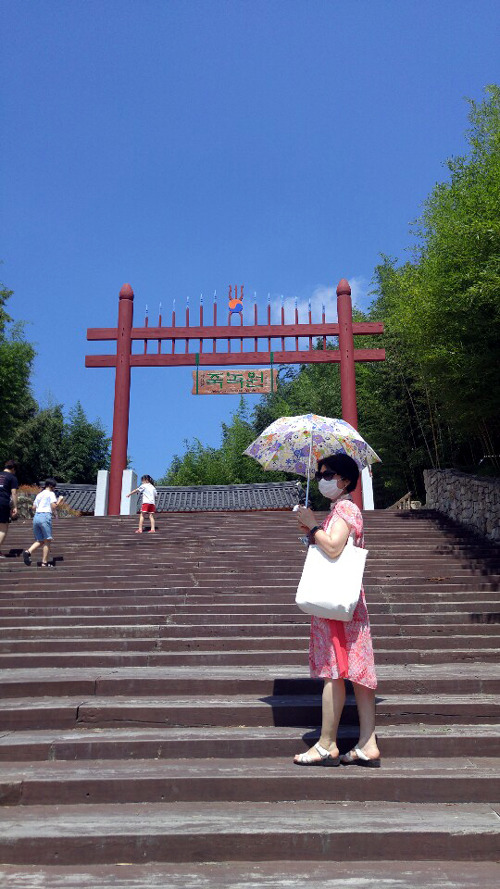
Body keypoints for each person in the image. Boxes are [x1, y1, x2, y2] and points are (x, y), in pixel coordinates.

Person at [293, 453, 380, 768]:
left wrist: (313, 525)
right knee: (357, 672)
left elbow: (333, 547)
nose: (322, 480)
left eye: (327, 474)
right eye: (319, 475)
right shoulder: (343, 509)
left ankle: (326, 743)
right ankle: (367, 743)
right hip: (347, 601)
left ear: (344, 479)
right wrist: (312, 531)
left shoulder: (344, 508)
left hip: (336, 604)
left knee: (334, 671)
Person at [23, 478, 63, 568]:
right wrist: (59, 500)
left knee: (40, 540)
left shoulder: (39, 494)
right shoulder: (51, 494)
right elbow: (53, 506)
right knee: (47, 540)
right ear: (51, 486)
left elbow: (34, 507)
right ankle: (44, 563)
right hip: (45, 516)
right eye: (54, 487)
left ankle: (27, 552)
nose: (54, 488)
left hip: (36, 517)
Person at [0, 460, 19, 559]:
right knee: (3, 527)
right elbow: (14, 493)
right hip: (3, 502)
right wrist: (15, 507)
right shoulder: (12, 477)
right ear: (13, 469)